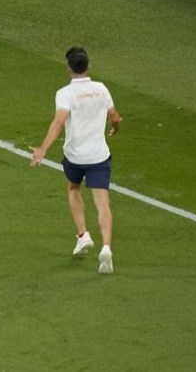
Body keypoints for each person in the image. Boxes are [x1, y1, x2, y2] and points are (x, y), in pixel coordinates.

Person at [30, 47, 123, 275]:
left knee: (73, 188)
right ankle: (107, 248)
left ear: (68, 69)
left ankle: (83, 235)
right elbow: (114, 116)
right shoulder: (101, 89)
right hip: (99, 156)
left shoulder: (65, 93)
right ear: (88, 67)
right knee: (102, 203)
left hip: (74, 156)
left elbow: (59, 120)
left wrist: (43, 148)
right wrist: (115, 127)